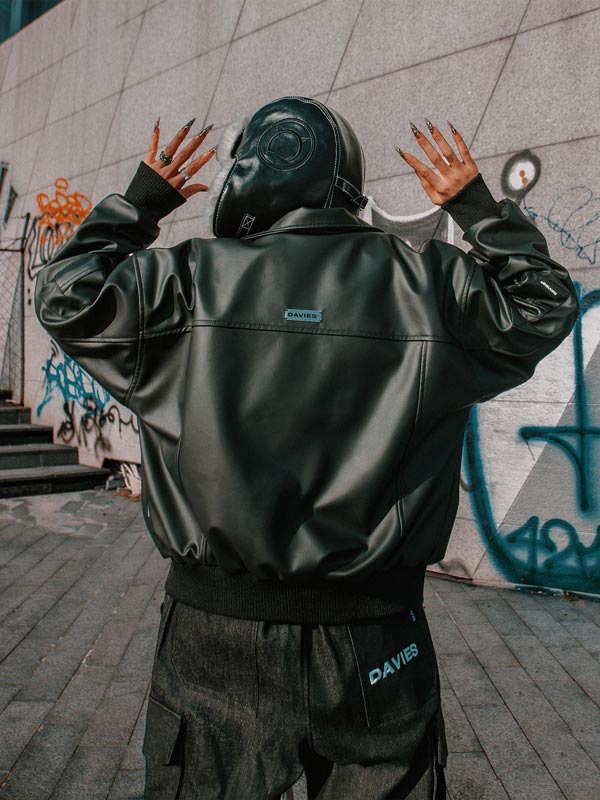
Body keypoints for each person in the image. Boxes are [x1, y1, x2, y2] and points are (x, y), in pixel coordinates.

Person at [35, 96, 578, 799]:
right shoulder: (430, 286)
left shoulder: (185, 280)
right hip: (376, 635)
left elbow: (67, 295)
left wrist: (142, 202)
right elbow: (545, 303)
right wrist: (476, 206)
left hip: (215, 633)